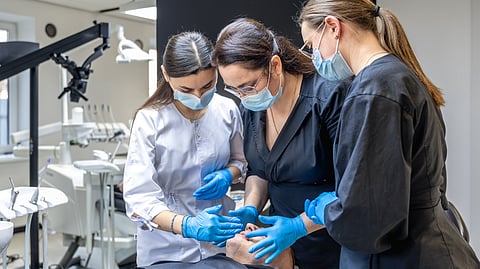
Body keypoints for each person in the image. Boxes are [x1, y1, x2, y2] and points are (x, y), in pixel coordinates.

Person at [296, 0, 480, 268]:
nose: (314, 58)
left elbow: (368, 219)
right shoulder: (396, 76)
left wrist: (328, 211)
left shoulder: (373, 91)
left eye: (312, 46)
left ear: (333, 27)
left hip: (409, 255)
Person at [212, 18, 351, 268]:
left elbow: (352, 188)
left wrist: (299, 226)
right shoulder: (254, 106)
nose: (243, 97)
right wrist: (251, 207)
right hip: (282, 246)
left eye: (248, 86)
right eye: (234, 90)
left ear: (275, 65)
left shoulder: (328, 98)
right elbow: (260, 169)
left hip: (331, 243)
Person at [122, 31, 248, 268]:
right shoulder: (150, 120)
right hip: (165, 247)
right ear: (166, 75)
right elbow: (140, 199)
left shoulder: (227, 109)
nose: (199, 96)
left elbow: (241, 161)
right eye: (187, 90)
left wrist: (227, 174)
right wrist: (188, 225)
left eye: (208, 85)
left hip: (218, 243)